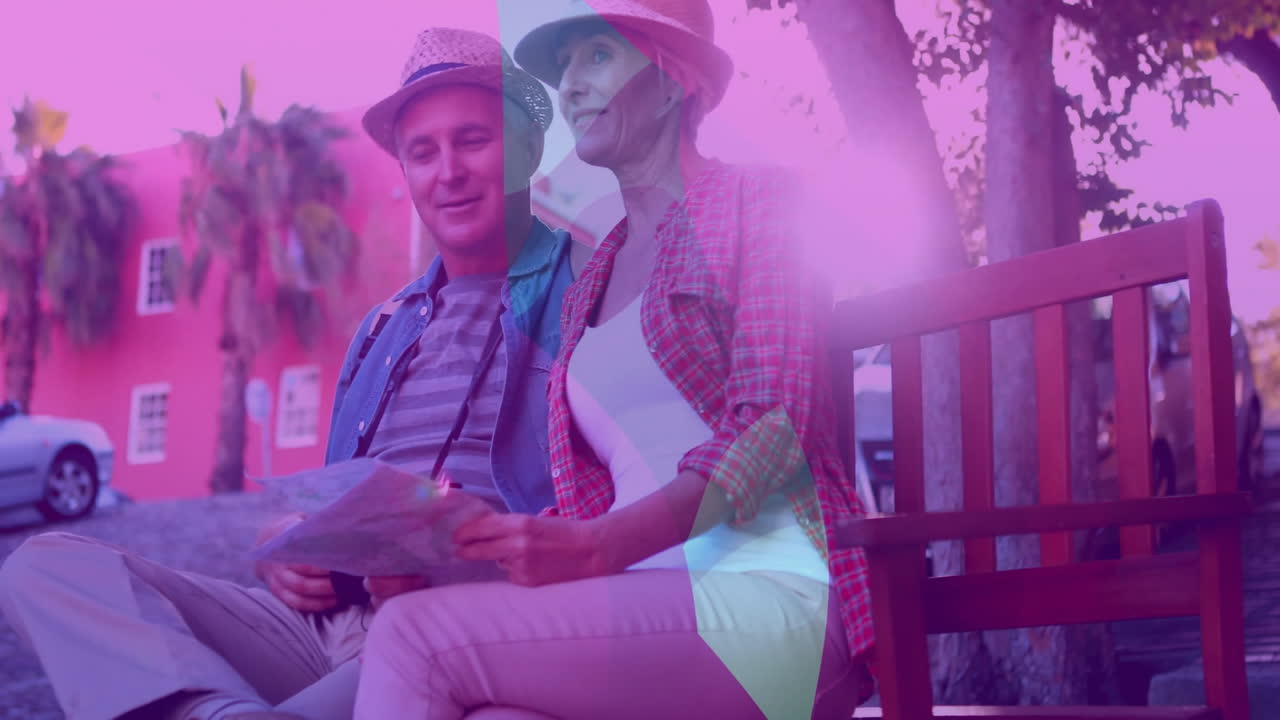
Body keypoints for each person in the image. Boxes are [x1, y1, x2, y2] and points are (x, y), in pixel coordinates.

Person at [0, 27, 576, 720]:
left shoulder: (588, 296)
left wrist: (452, 562)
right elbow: (341, 501)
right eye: (422, 152)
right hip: (325, 628)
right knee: (48, 566)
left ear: (527, 151)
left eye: (473, 141)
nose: (446, 170)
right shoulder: (382, 329)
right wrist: (287, 546)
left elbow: (604, 527)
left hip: (467, 626)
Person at [352, 2, 877, 718]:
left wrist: (600, 548)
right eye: (563, 65)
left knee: (413, 640)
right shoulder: (591, 280)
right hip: (631, 618)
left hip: (769, 607)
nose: (570, 84)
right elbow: (586, 498)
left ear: (675, 79)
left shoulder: (764, 202)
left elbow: (771, 432)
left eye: (597, 55)